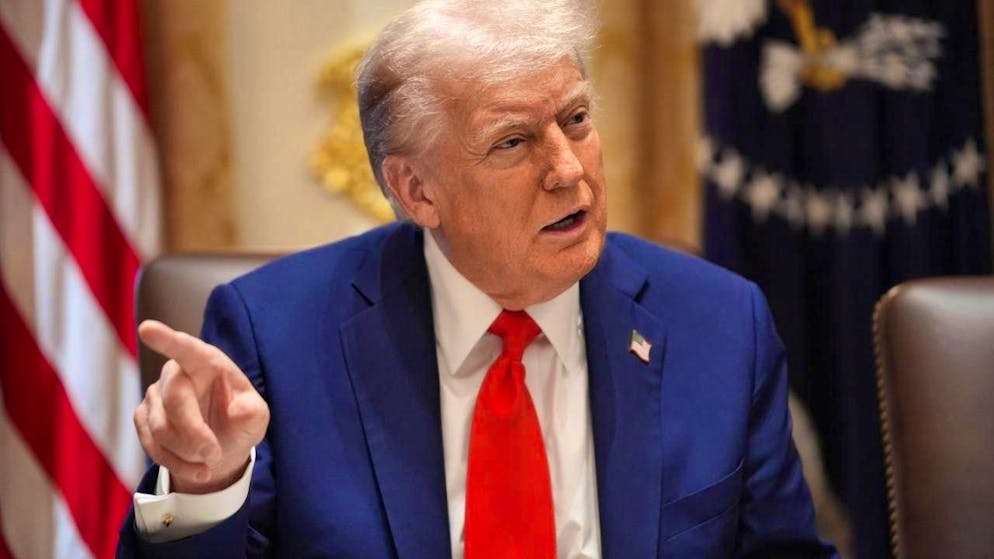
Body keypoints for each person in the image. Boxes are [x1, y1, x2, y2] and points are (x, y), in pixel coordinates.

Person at [117, 0, 837, 557]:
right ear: (417, 190)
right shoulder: (275, 334)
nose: (568, 169)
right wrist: (204, 488)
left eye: (577, 119)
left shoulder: (719, 325)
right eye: (513, 141)